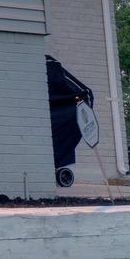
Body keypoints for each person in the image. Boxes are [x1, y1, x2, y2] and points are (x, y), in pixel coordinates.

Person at [45, 56, 98, 187]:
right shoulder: (48, 66)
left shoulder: (49, 66)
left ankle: (57, 164)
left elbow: (84, 94)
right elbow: (86, 93)